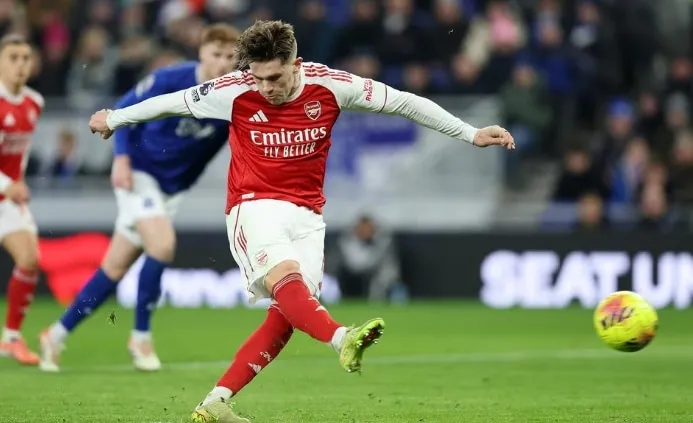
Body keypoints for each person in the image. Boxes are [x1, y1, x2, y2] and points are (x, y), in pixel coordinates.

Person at [88, 20, 514, 423]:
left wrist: (470, 133)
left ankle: (215, 403)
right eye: (258, 78)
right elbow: (170, 103)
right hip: (253, 205)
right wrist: (115, 118)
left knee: (288, 314)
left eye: (274, 77)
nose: (265, 87)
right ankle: (342, 338)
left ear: (296, 64)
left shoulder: (332, 85)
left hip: (308, 214)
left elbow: (403, 102)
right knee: (286, 280)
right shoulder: (232, 90)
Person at [38, 23, 240, 373]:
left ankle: (55, 334)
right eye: (216, 54)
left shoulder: (232, 97)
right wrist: (121, 158)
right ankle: (141, 336)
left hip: (171, 191)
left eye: (229, 56)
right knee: (162, 245)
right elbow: (123, 109)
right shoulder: (171, 78)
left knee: (114, 267)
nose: (222, 62)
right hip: (140, 173)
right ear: (201, 52)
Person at [0, 34, 45, 366]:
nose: (20, 64)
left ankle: (11, 338)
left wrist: (18, 180)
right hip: (6, 190)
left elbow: (22, 150)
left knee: (29, 259)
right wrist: (8, 184)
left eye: (25, 58)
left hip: (7, 198)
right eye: (13, 58)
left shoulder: (34, 102)